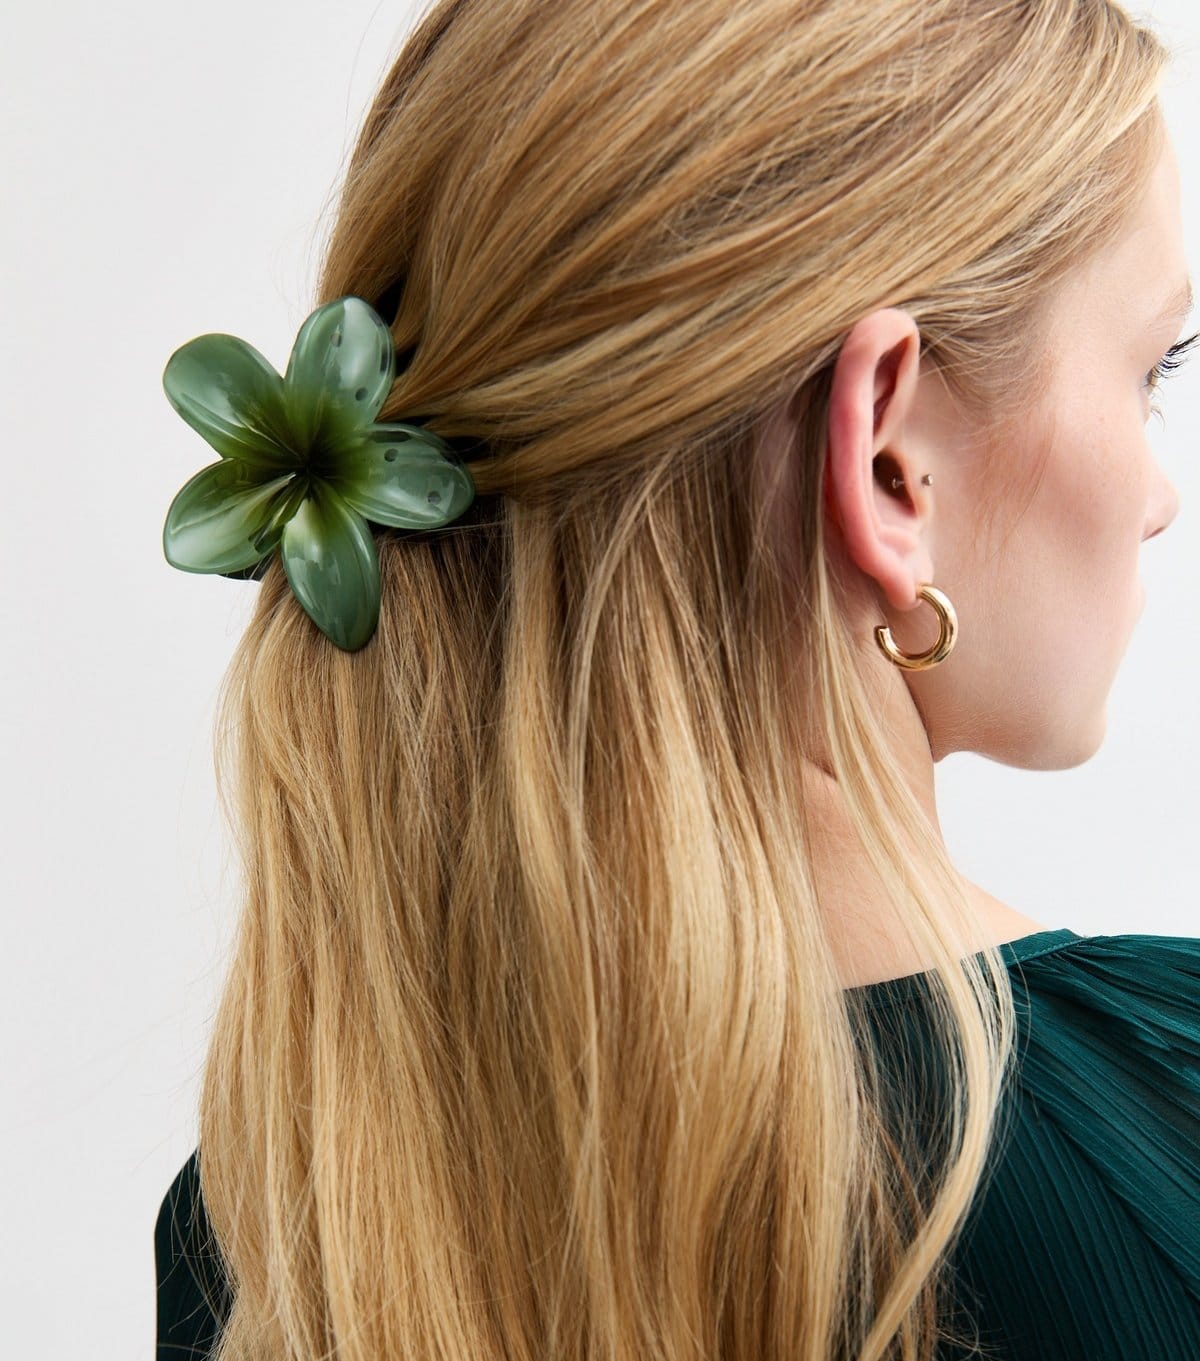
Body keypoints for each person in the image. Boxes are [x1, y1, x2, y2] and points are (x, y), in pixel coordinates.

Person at [154, 0, 1200, 1358]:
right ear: (890, 461)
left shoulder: (265, 1231)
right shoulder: (1159, 1126)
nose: (1160, 497)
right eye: (1151, 367)